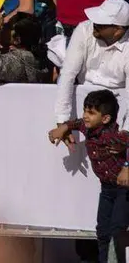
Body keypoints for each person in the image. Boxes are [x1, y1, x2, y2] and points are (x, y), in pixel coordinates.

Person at [49, 90, 129, 263]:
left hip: (124, 190)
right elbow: (77, 123)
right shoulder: (89, 127)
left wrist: (126, 167)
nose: (85, 116)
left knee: (118, 230)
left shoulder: (115, 136)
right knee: (102, 231)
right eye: (85, 110)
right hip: (107, 189)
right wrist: (63, 127)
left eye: (91, 113)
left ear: (106, 118)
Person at [55, 0, 129, 130]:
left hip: (118, 106)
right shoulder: (84, 29)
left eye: (101, 24)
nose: (94, 24)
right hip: (81, 101)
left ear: (118, 30)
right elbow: (67, 74)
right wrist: (62, 119)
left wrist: (125, 134)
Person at [0, 11, 41, 83]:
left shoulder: (21, 60)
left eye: (7, 26)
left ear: (17, 40)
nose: (1, 27)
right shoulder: (13, 52)